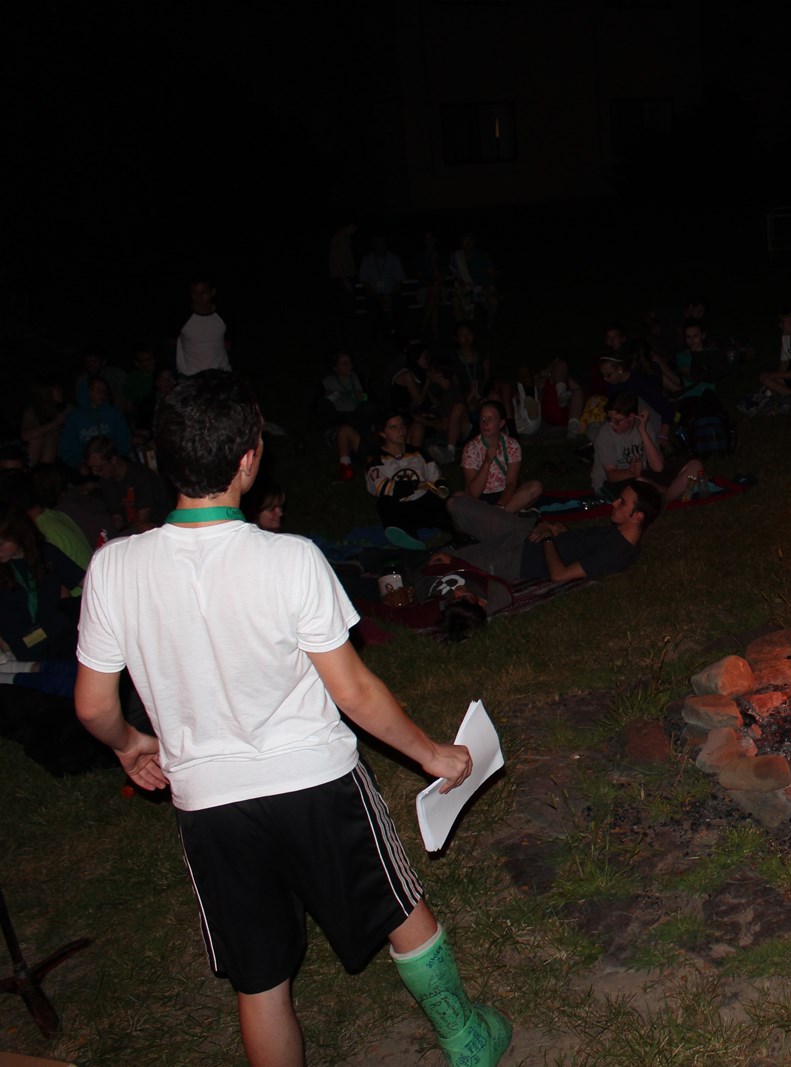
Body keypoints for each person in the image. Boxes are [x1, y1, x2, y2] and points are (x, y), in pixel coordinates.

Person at [72, 371, 510, 1066]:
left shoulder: (112, 569)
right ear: (249, 458)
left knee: (261, 978)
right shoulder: (291, 558)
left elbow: (94, 706)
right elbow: (353, 691)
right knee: (398, 907)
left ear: (162, 458)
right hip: (316, 783)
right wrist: (432, 754)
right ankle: (468, 1040)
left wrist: (130, 745)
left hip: (210, 804)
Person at [443, 479, 660, 583]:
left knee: (445, 563)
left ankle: (469, 546)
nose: (614, 503)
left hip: (520, 558)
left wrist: (547, 538)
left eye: (622, 503)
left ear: (637, 516)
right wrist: (558, 530)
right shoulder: (618, 533)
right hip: (524, 530)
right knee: (456, 503)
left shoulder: (616, 552)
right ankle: (468, 538)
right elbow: (577, 545)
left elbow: (560, 575)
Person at [0, 502, 84, 663]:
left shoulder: (46, 554)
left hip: (60, 641)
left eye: (2, 544)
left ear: (19, 535)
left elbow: (85, 582)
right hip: (22, 653)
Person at [592, 392, 702, 502]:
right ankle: (673, 495)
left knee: (695, 465)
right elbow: (611, 475)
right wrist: (631, 472)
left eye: (616, 421)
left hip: (645, 474)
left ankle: (667, 497)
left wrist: (643, 432)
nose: (612, 424)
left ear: (631, 417)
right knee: (639, 482)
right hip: (614, 482)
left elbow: (658, 467)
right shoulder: (605, 433)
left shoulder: (643, 425)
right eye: (609, 419)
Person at [366, 412, 451, 538]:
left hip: (423, 502)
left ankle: (458, 531)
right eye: (393, 427)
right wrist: (416, 485)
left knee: (445, 504)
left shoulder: (418, 453)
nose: (400, 430)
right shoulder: (376, 458)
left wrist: (441, 487)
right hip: (399, 506)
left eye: (402, 425)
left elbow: (436, 477)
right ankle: (405, 536)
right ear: (383, 434)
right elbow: (381, 487)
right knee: (384, 503)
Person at [460, 400, 541, 513]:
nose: (485, 423)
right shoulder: (470, 448)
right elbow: (473, 492)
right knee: (457, 499)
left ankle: (497, 515)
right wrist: (487, 462)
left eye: (490, 419)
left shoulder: (512, 445)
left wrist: (500, 506)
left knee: (535, 487)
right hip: (480, 498)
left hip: (504, 496)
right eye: (483, 418)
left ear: (501, 423)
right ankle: (499, 517)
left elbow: (511, 483)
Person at [85, 436, 173, 535]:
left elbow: (142, 520)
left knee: (145, 527)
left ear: (113, 460)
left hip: (159, 528)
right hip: (132, 530)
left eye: (99, 468)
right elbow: (117, 518)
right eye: (92, 469)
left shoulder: (140, 476)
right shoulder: (106, 480)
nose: (95, 473)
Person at [321, 352, 374, 480]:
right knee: (325, 406)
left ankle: (353, 443)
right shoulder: (327, 381)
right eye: (344, 363)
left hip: (355, 414)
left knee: (369, 407)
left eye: (349, 362)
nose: (349, 365)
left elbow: (365, 396)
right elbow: (324, 402)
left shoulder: (355, 378)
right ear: (335, 367)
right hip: (339, 415)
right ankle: (337, 438)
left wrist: (362, 396)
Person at [59, 377, 133, 469]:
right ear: (88, 391)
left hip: (112, 461)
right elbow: (68, 447)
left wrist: (116, 457)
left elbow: (124, 439)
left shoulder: (114, 413)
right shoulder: (74, 418)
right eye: (98, 391)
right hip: (86, 465)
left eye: (104, 391)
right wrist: (79, 464)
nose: (102, 394)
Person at [175, 279, 230, 376]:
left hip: (220, 373)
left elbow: (229, 343)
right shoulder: (181, 316)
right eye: (195, 293)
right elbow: (171, 343)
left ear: (212, 292)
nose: (199, 297)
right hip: (191, 375)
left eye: (203, 293)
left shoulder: (224, 314)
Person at [19, 377, 67, 468]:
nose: (61, 391)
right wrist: (54, 423)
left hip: (62, 453)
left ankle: (45, 471)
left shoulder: (66, 409)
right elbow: (25, 436)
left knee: (50, 437)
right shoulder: (33, 411)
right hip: (39, 455)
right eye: (57, 389)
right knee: (36, 439)